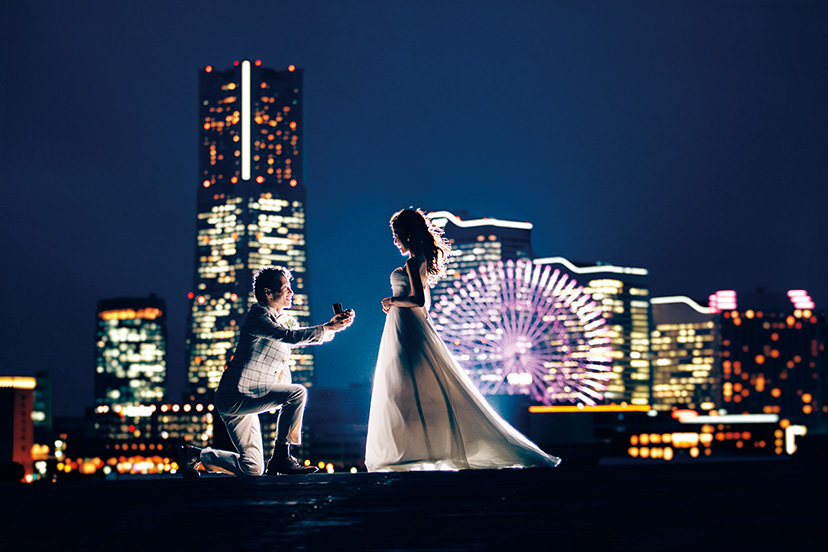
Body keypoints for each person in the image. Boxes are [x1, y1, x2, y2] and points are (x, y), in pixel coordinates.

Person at [364, 208, 560, 471]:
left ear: (407, 234)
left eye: (396, 234)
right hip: (409, 325)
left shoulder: (413, 262)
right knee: (411, 385)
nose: (395, 240)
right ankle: (417, 447)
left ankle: (410, 448)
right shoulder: (419, 259)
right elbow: (425, 304)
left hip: (406, 326)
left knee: (403, 385)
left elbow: (417, 300)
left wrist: (391, 301)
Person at [178, 266, 354, 477]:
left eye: (291, 288)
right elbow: (290, 336)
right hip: (236, 395)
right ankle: (282, 455)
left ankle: (195, 455)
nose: (291, 292)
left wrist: (332, 326)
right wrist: (328, 328)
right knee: (297, 393)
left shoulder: (284, 320)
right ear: (268, 293)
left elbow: (294, 337)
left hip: (252, 394)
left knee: (252, 468)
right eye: (285, 288)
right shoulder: (258, 317)